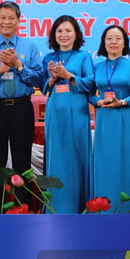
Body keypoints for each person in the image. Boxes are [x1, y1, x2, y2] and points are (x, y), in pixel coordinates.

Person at [0, 1, 45, 209]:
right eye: (2, 17)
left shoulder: (29, 46)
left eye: (11, 18)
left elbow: (39, 80)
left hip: (22, 108)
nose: (6, 22)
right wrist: (0, 71)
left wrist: (19, 66)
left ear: (19, 21)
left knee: (23, 163)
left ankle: (23, 210)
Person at [41, 16, 95, 214]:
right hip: (54, 112)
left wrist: (69, 76)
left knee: (77, 156)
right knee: (57, 157)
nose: (63, 35)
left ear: (76, 34)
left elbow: (91, 83)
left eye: (68, 31)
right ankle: (56, 207)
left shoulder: (83, 57)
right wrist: (52, 79)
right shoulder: (48, 58)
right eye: (59, 31)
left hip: (78, 111)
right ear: (54, 35)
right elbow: (41, 86)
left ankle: (79, 206)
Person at [89, 25, 130, 212]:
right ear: (103, 43)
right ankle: (103, 207)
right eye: (109, 38)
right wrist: (98, 102)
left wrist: (122, 101)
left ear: (125, 44)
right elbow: (89, 93)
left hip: (125, 118)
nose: (113, 42)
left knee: (126, 161)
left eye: (118, 38)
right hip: (104, 118)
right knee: (105, 163)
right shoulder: (95, 67)